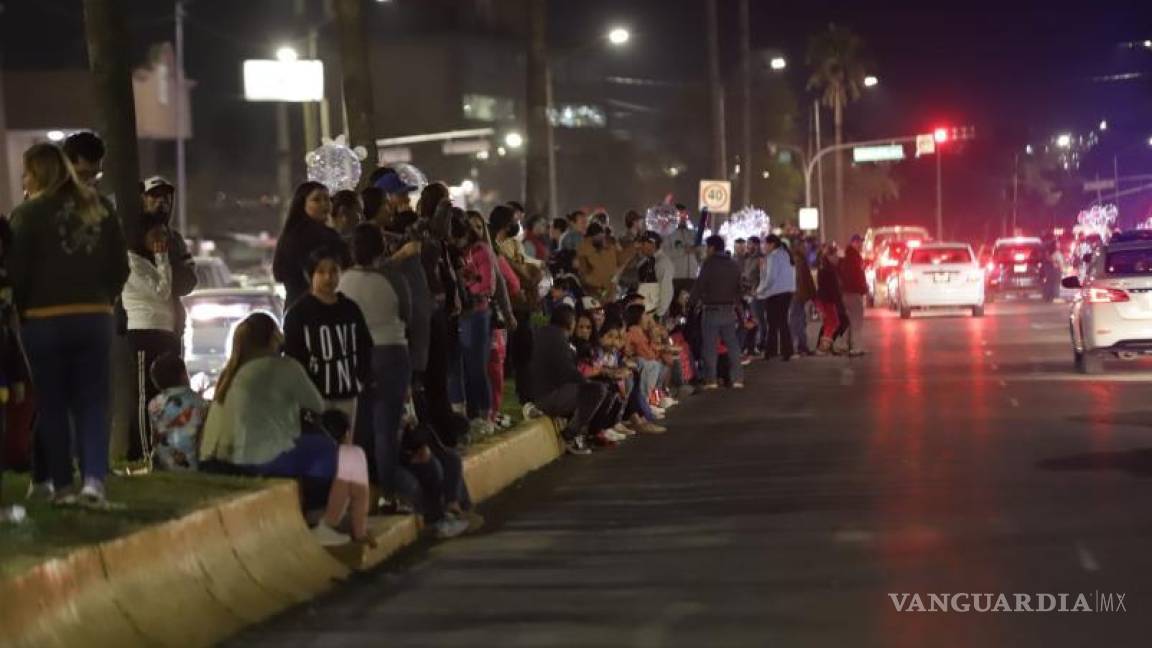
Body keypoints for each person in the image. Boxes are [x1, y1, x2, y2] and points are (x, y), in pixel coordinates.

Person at [10, 143, 129, 505]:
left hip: (43, 320)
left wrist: (23, 308)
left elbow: (17, 272)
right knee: (93, 401)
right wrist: (103, 299)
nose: (24, 179)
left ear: (39, 173)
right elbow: (120, 267)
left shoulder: (27, 214)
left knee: (53, 403)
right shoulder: (100, 208)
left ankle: (61, 485)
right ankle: (94, 480)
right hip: (93, 316)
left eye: (27, 172)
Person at [198, 313, 369, 546]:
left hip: (228, 460)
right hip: (267, 457)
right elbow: (317, 405)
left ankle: (331, 522)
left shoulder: (231, 373)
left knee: (321, 451)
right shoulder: (284, 366)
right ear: (274, 337)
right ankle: (331, 525)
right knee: (348, 456)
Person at [337, 223, 411, 505]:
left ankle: (360, 493)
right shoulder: (394, 278)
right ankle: (389, 494)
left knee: (360, 428)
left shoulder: (343, 282)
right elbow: (407, 315)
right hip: (392, 351)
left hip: (356, 356)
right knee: (387, 429)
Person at [283, 249, 373, 421]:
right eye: (321, 271)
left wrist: (359, 379)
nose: (328, 277)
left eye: (333, 271)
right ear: (311, 275)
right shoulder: (298, 314)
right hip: (314, 397)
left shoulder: (350, 308)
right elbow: (293, 357)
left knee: (344, 444)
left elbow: (365, 345)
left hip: (347, 393)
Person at [122, 211, 183, 462]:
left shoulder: (154, 261)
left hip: (165, 331)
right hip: (144, 332)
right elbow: (161, 291)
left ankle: (168, 448)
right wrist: (161, 257)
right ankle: (143, 450)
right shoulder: (132, 262)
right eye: (155, 234)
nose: (161, 239)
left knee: (167, 393)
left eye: (164, 234)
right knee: (144, 393)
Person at [529, 304, 606, 455]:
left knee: (589, 388)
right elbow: (568, 372)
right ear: (571, 322)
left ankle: (576, 433)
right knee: (596, 391)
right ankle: (569, 435)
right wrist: (586, 382)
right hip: (548, 396)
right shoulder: (558, 338)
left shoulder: (543, 333)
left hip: (538, 392)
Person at [273, 181, 350, 308]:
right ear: (302, 204)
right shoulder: (325, 236)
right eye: (317, 200)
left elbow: (279, 274)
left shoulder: (289, 235)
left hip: (294, 305)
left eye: (327, 199)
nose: (324, 204)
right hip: (320, 307)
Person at [688, 235, 745, 389]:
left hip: (711, 310)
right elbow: (739, 289)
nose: (706, 251)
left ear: (712, 248)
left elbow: (699, 287)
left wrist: (690, 303)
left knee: (710, 346)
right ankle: (737, 378)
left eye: (707, 247)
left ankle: (711, 379)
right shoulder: (733, 264)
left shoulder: (709, 264)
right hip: (728, 309)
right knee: (732, 344)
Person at [147, 353, 207, 471]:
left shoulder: (153, 404)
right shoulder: (201, 403)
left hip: (163, 466)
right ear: (184, 375)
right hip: (193, 466)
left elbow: (154, 438)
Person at [756, 235, 796, 361]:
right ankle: (787, 351)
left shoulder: (773, 257)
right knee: (783, 322)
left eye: (765, 244)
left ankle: (771, 351)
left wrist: (760, 290)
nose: (764, 247)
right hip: (787, 292)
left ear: (772, 244)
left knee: (772, 324)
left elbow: (770, 278)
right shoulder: (786, 255)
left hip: (775, 294)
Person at [576, 222, 621, 302]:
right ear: (591, 237)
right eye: (599, 236)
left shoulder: (605, 248)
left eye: (602, 236)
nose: (602, 239)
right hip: (594, 290)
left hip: (607, 289)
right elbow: (583, 272)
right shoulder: (584, 249)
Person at [840, 234, 869, 356]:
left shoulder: (846, 257)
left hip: (846, 293)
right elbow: (857, 276)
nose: (860, 244)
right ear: (853, 243)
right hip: (854, 293)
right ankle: (856, 347)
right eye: (858, 242)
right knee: (857, 321)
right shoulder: (854, 258)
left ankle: (846, 345)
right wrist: (863, 288)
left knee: (850, 321)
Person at [636, 231, 675, 318]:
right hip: (645, 311)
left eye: (643, 243)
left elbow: (666, 290)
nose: (640, 246)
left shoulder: (662, 263)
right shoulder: (645, 262)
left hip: (655, 313)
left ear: (652, 244)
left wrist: (659, 313)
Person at [665, 204, 703, 295]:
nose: (683, 218)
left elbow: (701, 255)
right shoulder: (667, 234)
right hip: (675, 278)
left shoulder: (693, 233)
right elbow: (666, 254)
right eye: (680, 215)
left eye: (684, 215)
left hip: (692, 278)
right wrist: (684, 251)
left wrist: (700, 251)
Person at [790, 238, 817, 355]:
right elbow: (800, 280)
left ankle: (799, 345)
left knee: (799, 320)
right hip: (798, 295)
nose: (806, 248)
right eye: (803, 246)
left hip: (798, 295)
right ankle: (800, 345)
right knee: (798, 320)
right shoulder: (798, 260)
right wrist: (805, 294)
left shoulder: (799, 259)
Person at [815, 244, 844, 355]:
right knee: (832, 322)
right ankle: (823, 347)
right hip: (827, 300)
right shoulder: (827, 269)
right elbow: (832, 287)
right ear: (829, 256)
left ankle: (825, 347)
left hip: (826, 299)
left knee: (831, 322)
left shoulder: (826, 267)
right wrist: (838, 300)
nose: (836, 257)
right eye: (835, 255)